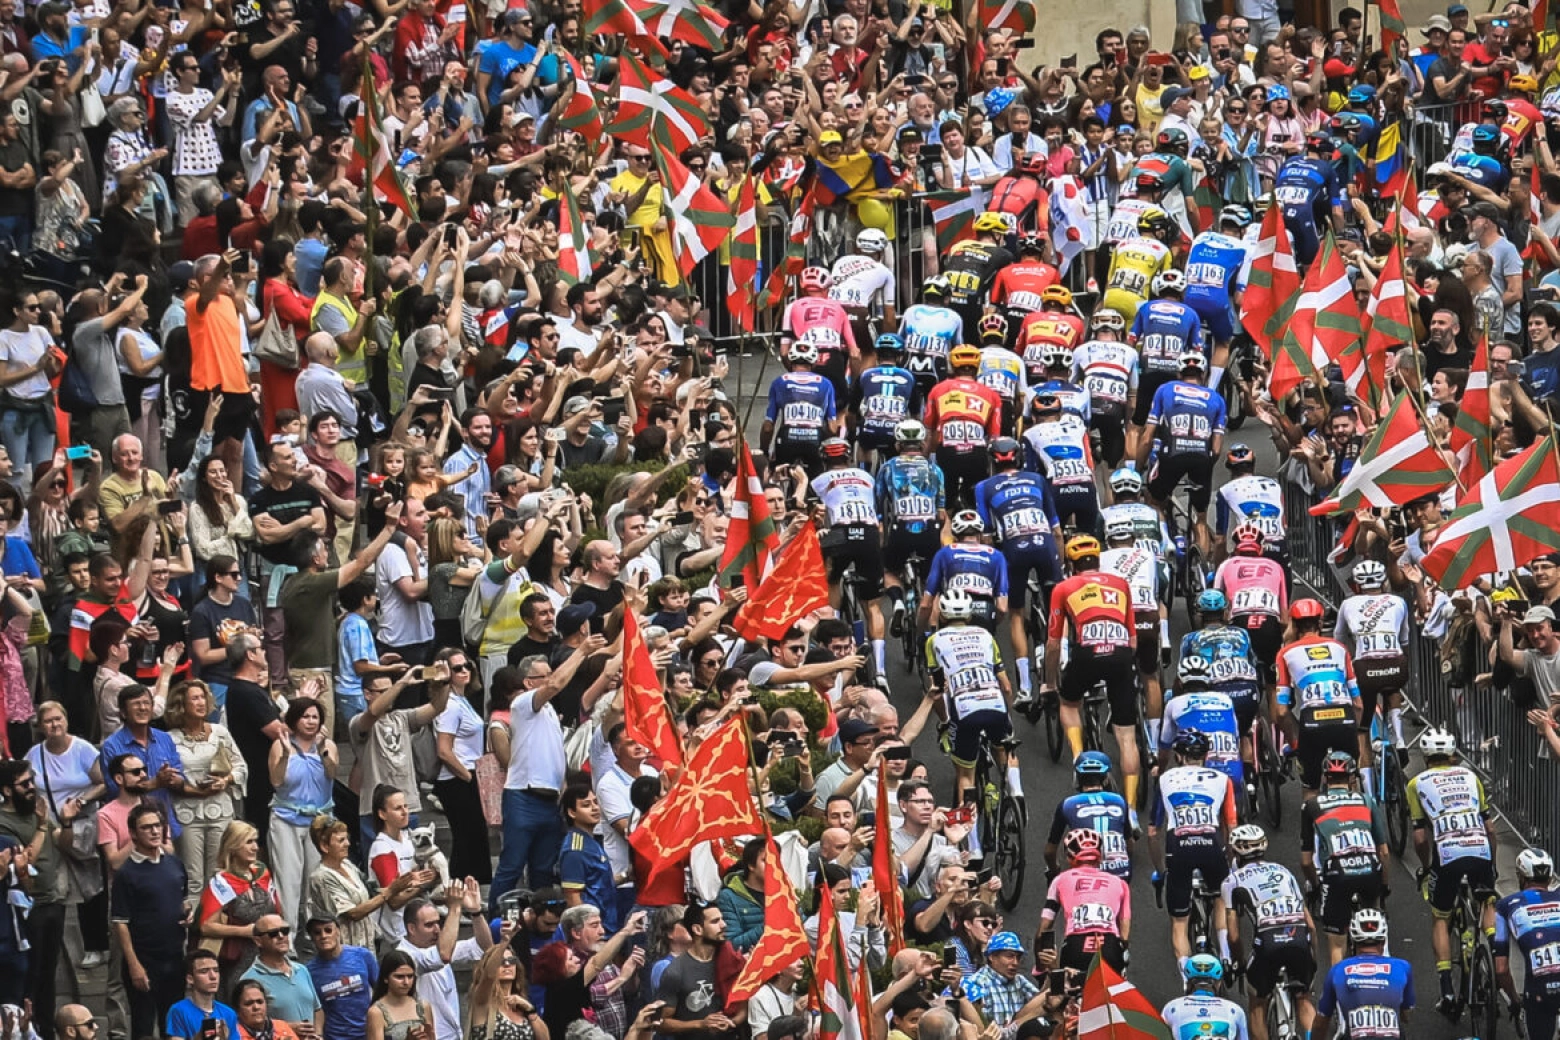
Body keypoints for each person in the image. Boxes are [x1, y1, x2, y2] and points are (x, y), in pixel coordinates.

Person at [112, 803, 191, 1040]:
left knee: (174, 1027)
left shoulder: (174, 863)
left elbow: (183, 899)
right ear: (134, 834)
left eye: (157, 825)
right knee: (144, 1028)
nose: (155, 831)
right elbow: (120, 922)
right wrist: (134, 965)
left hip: (175, 957)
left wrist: (188, 914)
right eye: (147, 828)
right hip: (144, 960)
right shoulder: (127, 873)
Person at [397, 880, 495, 1040]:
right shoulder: (404, 956)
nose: (437, 930)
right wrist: (455, 908)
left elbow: (485, 947)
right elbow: (443, 956)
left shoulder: (439, 946)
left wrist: (476, 912)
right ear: (411, 929)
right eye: (429, 925)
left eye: (438, 923)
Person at [1313, 910, 1414, 1040]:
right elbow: (1406, 1015)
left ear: (1353, 943)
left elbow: (1321, 1023)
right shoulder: (1403, 967)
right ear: (1383, 942)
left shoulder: (1338, 970)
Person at [305, 914, 379, 1040]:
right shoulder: (308, 971)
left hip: (368, 1033)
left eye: (328, 930)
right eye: (317, 933)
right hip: (333, 1036)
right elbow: (316, 1009)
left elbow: (381, 991)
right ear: (312, 938)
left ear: (338, 931)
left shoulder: (362, 956)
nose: (323, 936)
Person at [165, 950, 239, 1040]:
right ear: (190, 979)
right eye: (204, 971)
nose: (213, 976)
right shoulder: (178, 1011)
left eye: (216, 970)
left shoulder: (229, 1013)